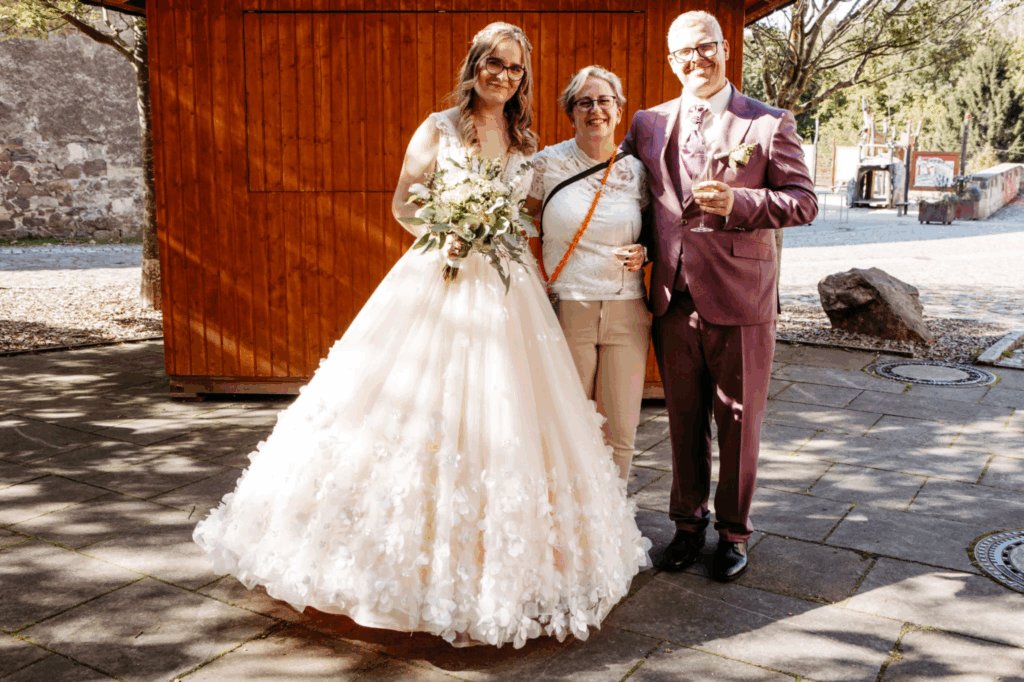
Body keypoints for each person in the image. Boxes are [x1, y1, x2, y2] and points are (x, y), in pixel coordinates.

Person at [193, 22, 649, 649]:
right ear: (475, 64)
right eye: (495, 63)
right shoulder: (439, 128)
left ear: (524, 79)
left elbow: (535, 211)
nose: (504, 75)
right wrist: (446, 230)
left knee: (512, 413)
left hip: (508, 288)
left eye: (515, 68)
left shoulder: (526, 141)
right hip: (443, 274)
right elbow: (405, 203)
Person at [621, 11, 817, 582]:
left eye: (705, 46)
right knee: (682, 422)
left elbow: (804, 201)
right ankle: (687, 525)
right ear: (671, 60)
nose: (696, 59)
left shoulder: (768, 123)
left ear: (725, 48)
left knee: (738, 423)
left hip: (741, 298)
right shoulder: (648, 123)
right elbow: (625, 193)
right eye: (684, 51)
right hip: (672, 296)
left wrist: (742, 203)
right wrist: (634, 247)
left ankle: (733, 532)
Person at [526, 65, 651, 482]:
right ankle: (569, 514)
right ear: (571, 112)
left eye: (604, 101)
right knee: (567, 426)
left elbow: (656, 231)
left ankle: (613, 516)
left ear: (619, 110)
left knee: (621, 431)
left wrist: (645, 251)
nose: (596, 110)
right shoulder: (547, 164)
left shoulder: (638, 171)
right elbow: (516, 223)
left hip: (627, 310)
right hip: (567, 308)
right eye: (584, 102)